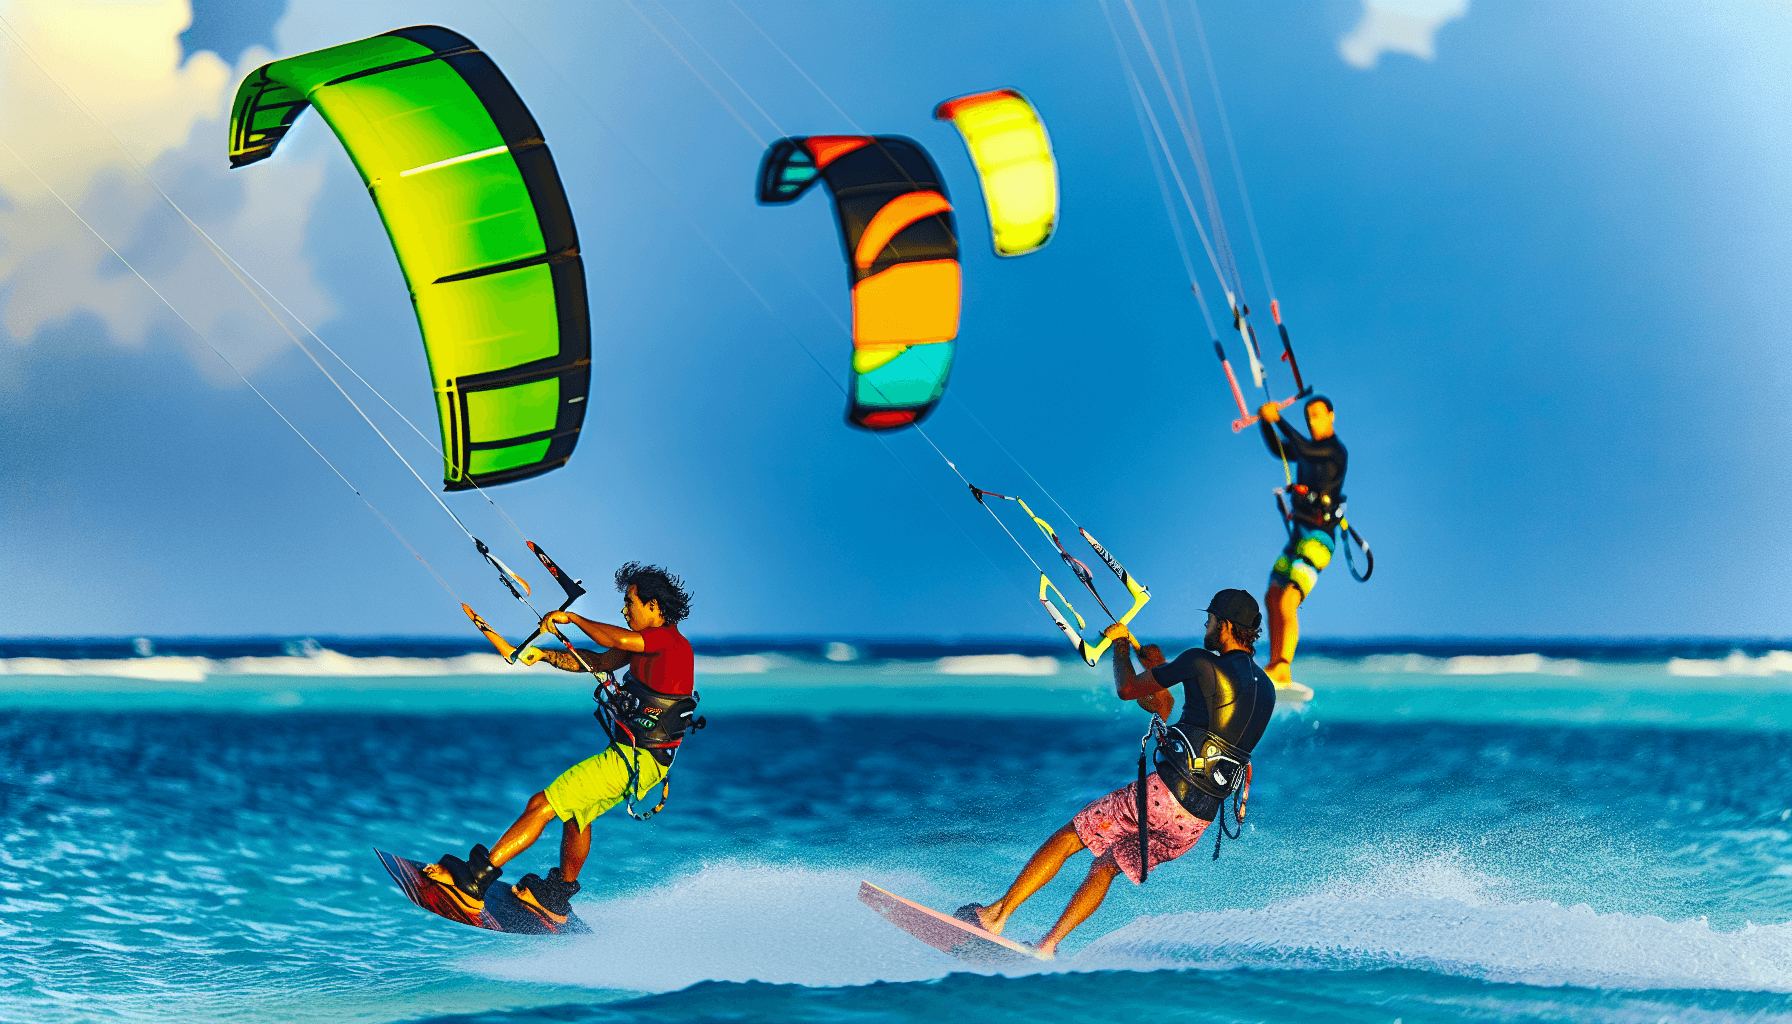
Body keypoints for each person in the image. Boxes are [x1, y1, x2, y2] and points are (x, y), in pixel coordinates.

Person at [955, 590, 1276, 958]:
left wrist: (1121, 646)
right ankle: (1047, 946)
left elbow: (1128, 689)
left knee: (1071, 836)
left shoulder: (1200, 661)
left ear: (1226, 626)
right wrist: (1158, 665)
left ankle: (995, 916)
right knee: (1106, 865)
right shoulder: (1266, 689)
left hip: (1162, 797)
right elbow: (1176, 708)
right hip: (1195, 824)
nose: (1205, 625)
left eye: (1211, 620)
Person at [430, 562, 697, 925]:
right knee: (576, 815)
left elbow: (615, 639)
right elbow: (599, 661)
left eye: (630, 602)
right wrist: (543, 656)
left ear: (654, 606)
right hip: (640, 761)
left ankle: (474, 881)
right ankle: (555, 898)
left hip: (635, 760)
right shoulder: (646, 646)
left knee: (542, 804)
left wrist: (571, 620)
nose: (624, 610)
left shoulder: (669, 643)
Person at [1258, 395, 1347, 686]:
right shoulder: (1306, 450)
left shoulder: (1334, 451)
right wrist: (1265, 422)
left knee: (1288, 599)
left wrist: (1279, 419)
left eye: (1317, 415)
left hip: (1320, 539)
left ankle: (1284, 664)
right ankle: (1274, 665)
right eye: (1308, 416)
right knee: (1272, 596)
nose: (1311, 421)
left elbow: (1306, 449)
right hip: (1298, 536)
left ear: (1331, 416)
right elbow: (1279, 449)